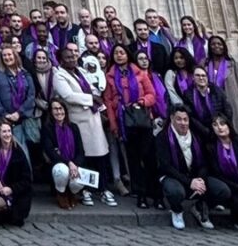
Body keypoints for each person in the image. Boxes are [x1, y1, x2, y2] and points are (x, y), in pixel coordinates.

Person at [52, 45, 117, 207]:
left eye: (74, 56)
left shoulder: (81, 71)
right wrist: (90, 99)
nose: (72, 59)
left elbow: (93, 88)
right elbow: (68, 95)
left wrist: (95, 98)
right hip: (78, 120)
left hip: (93, 117)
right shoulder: (59, 75)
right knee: (84, 155)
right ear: (61, 59)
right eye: (67, 57)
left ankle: (103, 188)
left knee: (100, 155)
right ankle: (85, 189)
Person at [155, 105, 231, 230]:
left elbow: (203, 163)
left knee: (223, 190)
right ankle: (177, 211)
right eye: (179, 119)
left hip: (194, 176)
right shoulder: (162, 137)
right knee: (176, 192)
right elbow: (166, 166)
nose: (183, 123)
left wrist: (200, 180)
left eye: (186, 119)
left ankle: (200, 207)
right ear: (172, 119)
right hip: (173, 177)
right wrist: (189, 182)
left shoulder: (196, 136)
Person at [104, 44, 159, 209]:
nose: (119, 55)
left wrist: (142, 102)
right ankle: (140, 194)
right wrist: (113, 125)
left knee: (149, 158)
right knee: (133, 161)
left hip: (142, 119)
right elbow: (108, 102)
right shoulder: (110, 77)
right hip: (124, 122)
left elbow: (152, 95)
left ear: (128, 55)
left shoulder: (140, 73)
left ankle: (156, 195)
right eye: (116, 53)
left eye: (122, 52)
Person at [0, 45, 36, 155]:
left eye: (9, 54)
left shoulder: (25, 73)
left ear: (15, 56)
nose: (7, 57)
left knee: (24, 151)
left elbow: (31, 95)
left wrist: (19, 113)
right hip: (4, 121)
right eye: (4, 55)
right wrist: (5, 114)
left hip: (23, 119)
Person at [205, 35, 238, 133]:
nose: (216, 46)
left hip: (234, 106)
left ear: (224, 46)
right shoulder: (205, 65)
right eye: (213, 44)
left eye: (219, 44)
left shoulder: (232, 64)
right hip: (215, 107)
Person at [0, 121, 32, 226]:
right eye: (4, 132)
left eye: (9, 131)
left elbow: (27, 179)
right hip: (0, 188)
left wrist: (11, 189)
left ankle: (8, 213)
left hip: (16, 193)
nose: (7, 134)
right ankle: (1, 213)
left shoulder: (18, 152)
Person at [41, 99, 85, 209]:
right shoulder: (47, 129)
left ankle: (72, 193)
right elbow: (50, 152)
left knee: (79, 178)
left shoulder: (74, 127)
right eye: (55, 109)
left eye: (61, 108)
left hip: (74, 163)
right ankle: (61, 193)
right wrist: (69, 163)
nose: (59, 112)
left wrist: (75, 164)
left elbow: (81, 151)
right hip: (58, 163)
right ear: (51, 112)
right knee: (62, 171)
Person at [183, 66, 232, 142]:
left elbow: (227, 110)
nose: (201, 78)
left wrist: (222, 126)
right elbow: (191, 117)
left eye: (203, 75)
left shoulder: (217, 91)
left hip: (221, 130)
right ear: (193, 78)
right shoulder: (188, 95)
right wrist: (206, 131)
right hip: (203, 134)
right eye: (198, 75)